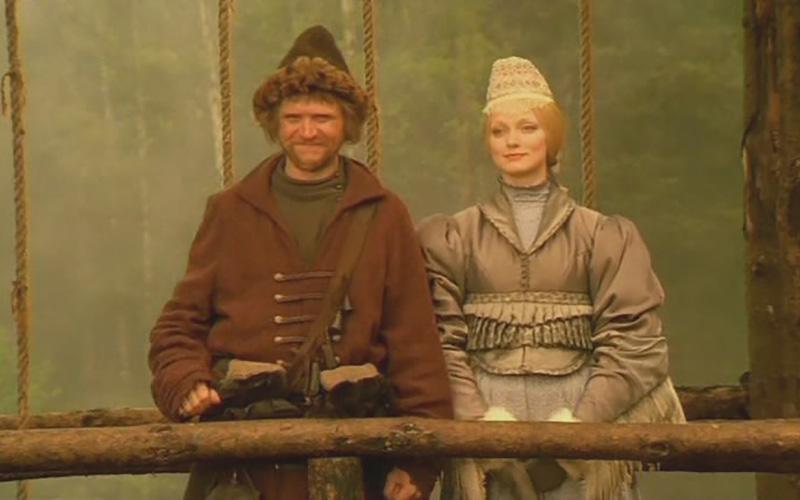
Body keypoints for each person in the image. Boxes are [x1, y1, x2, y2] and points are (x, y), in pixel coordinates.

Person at [149, 25, 453, 500]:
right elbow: (178, 327)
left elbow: (414, 342)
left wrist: (417, 462)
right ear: (275, 123)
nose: (307, 131)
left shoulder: (384, 213)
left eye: (322, 117)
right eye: (294, 117)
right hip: (243, 463)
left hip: (355, 459)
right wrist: (186, 381)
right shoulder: (230, 211)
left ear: (347, 123)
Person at [419, 56, 685, 499]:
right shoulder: (453, 237)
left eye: (527, 127)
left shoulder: (602, 235)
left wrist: (581, 429)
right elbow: (436, 340)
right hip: (484, 434)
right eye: (499, 131)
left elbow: (635, 341)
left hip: (582, 423)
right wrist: (479, 426)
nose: (512, 141)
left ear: (551, 135)